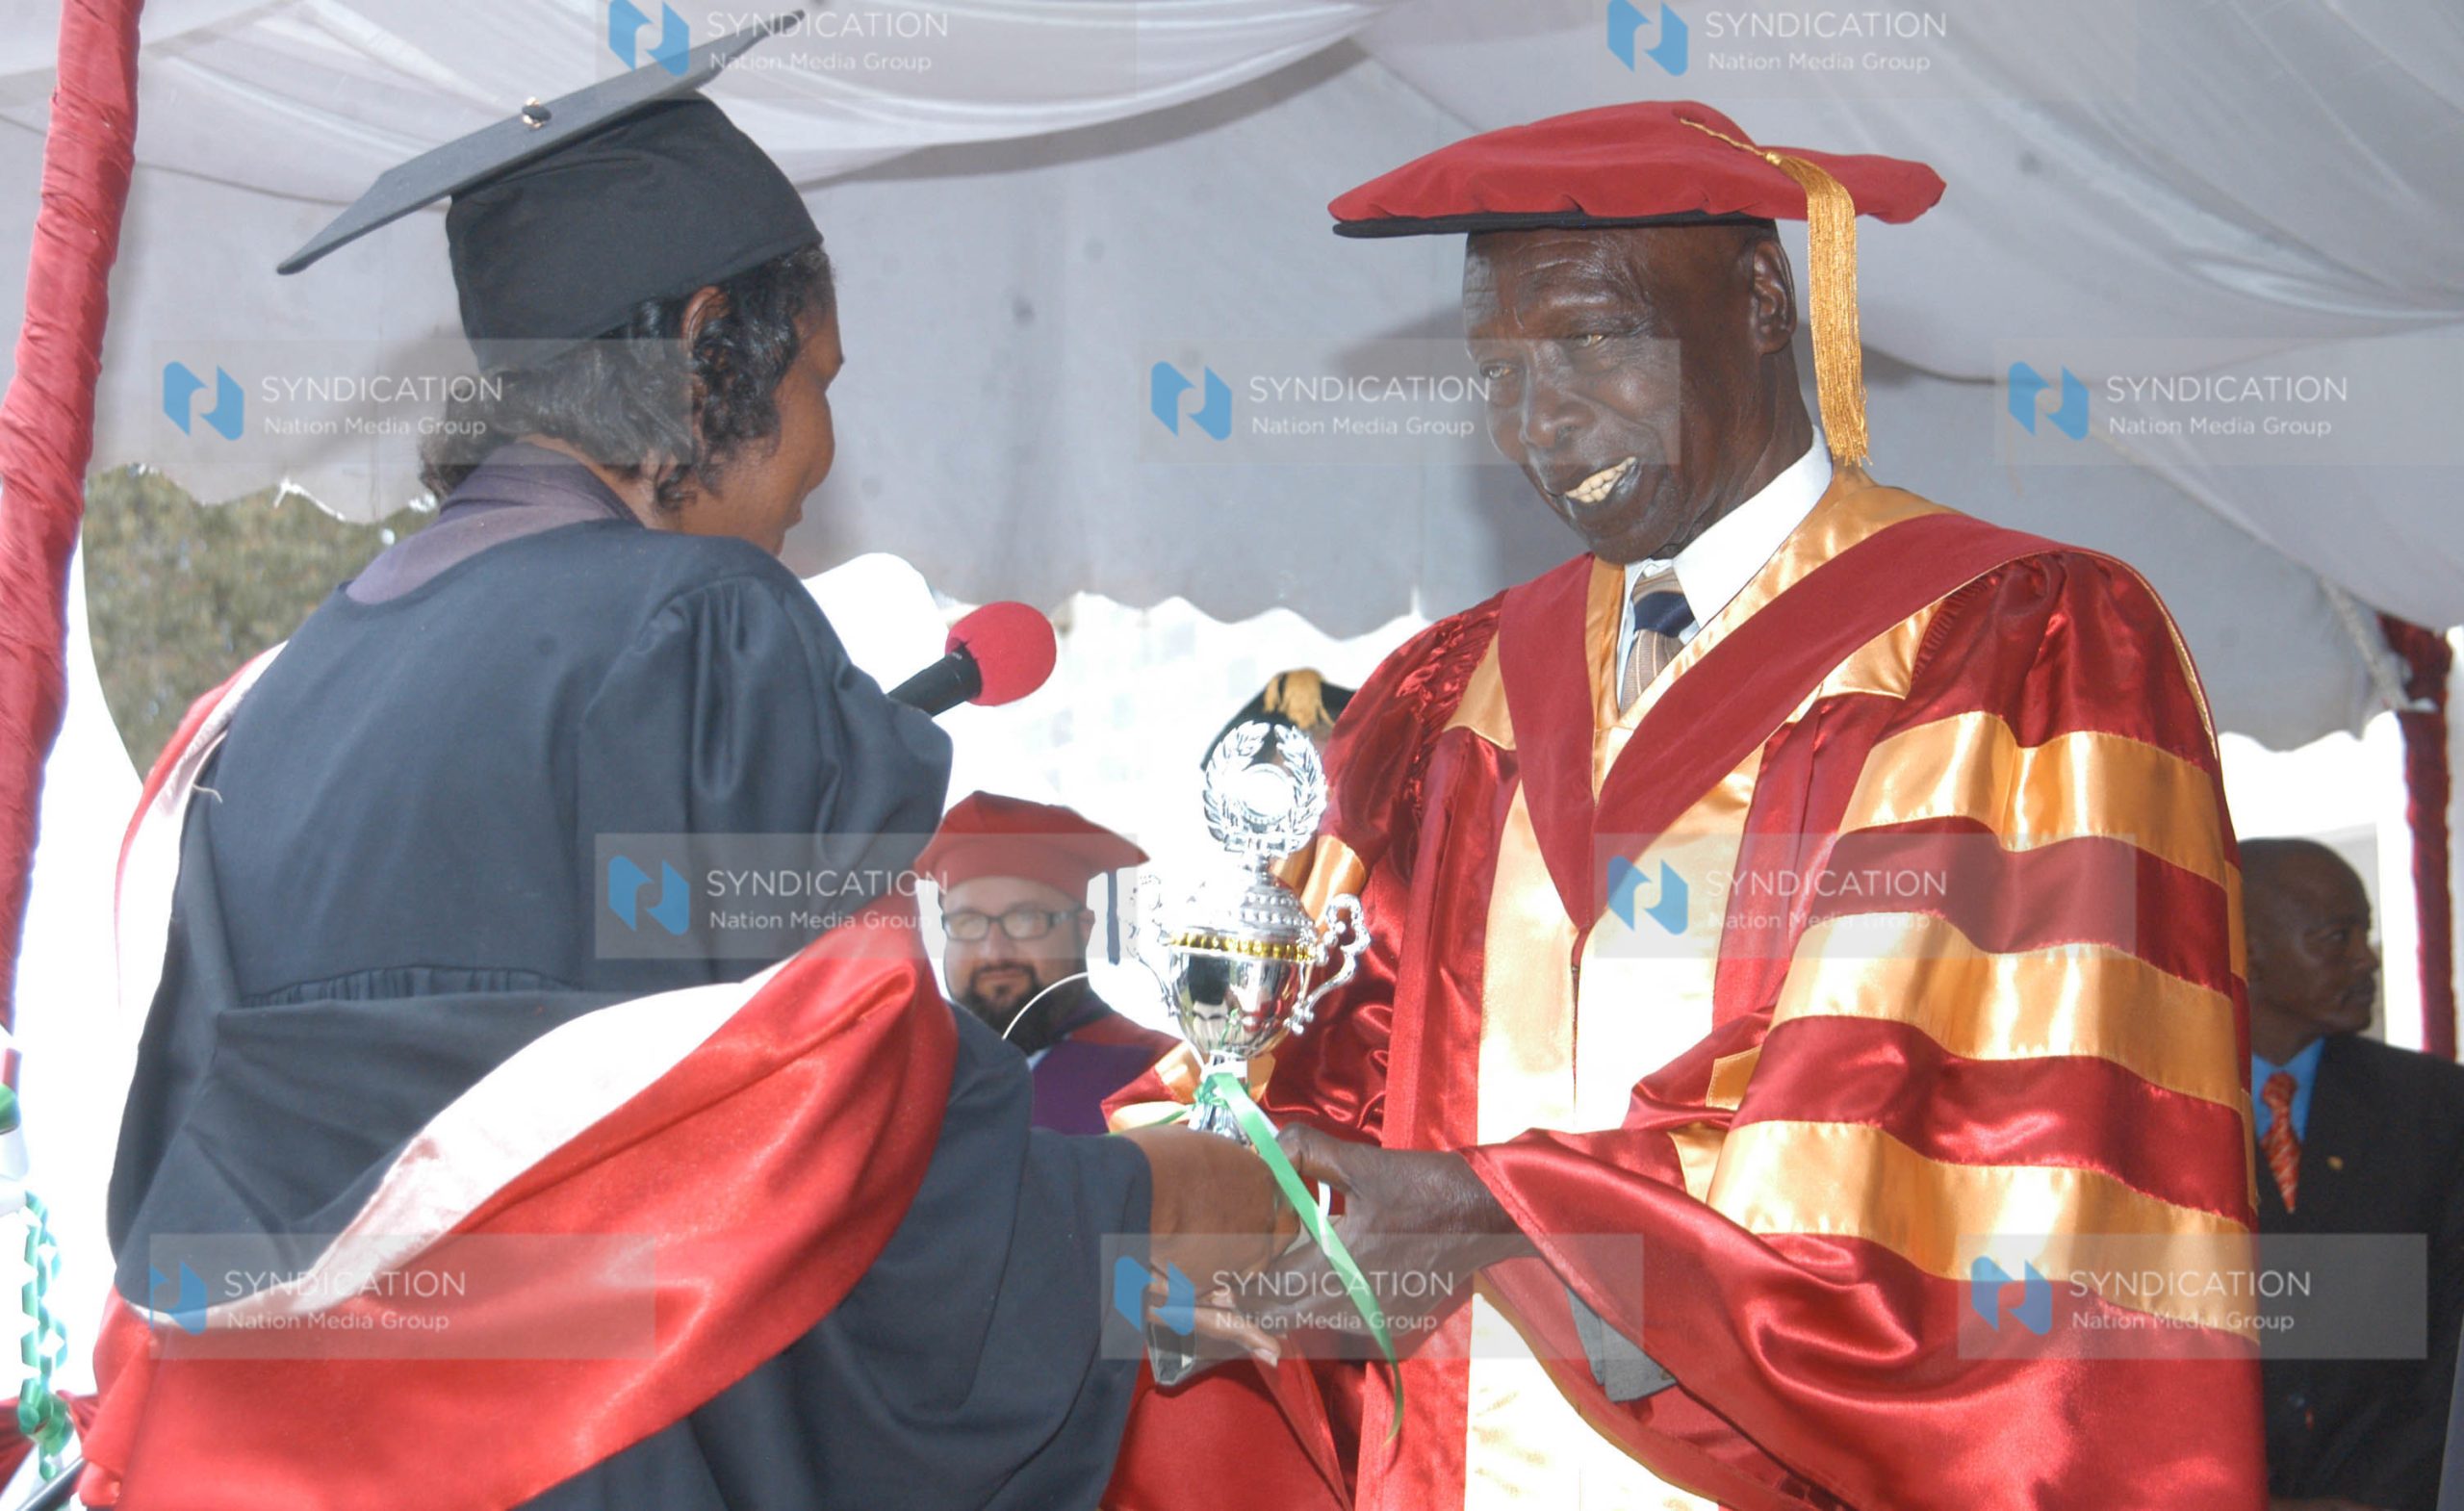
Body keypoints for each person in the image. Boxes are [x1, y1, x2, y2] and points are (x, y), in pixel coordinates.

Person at [87, 29, 1289, 1511]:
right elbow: (864, 1164)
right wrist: (1146, 1207)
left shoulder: (279, 692)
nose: (824, 457)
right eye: (820, 377)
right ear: (717, 340)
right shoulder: (699, 636)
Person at [1105, 100, 2264, 1510]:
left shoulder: (2010, 644)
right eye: (1498, 366)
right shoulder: (1445, 694)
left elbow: (1958, 1153)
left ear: (1766, 301)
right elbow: (1309, 1066)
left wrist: (1500, 1213)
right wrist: (1127, 1209)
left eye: (1594, 340)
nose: (1540, 422)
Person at [2244, 839, 2464, 1511]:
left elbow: (2448, 1342)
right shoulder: (2146, 1113)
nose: (2366, 957)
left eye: (2363, 931)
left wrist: (2371, 1500)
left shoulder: (2436, 1108)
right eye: (2336, 936)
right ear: (2242, 946)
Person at [917, 793, 1182, 1135]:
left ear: (1083, 929)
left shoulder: (1162, 1078)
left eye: (1026, 918)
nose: (994, 951)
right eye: (967, 921)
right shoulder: (910, 1078)